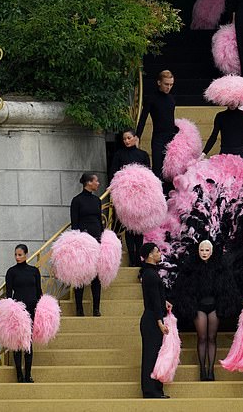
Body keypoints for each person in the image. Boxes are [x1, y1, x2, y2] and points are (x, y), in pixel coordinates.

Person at [171, 240, 240, 381]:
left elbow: (227, 288)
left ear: (212, 251)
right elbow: (183, 288)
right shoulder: (191, 268)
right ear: (198, 251)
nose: (204, 253)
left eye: (207, 250)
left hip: (214, 306)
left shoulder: (220, 267)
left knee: (212, 338)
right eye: (202, 250)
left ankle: (211, 370)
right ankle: (203, 369)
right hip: (199, 307)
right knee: (202, 337)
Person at [110, 130, 151, 267]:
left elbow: (148, 174)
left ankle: (139, 257)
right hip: (125, 195)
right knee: (128, 226)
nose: (127, 141)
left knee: (138, 227)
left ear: (135, 138)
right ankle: (133, 258)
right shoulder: (119, 154)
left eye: (129, 138)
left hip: (139, 194)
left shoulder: (143, 155)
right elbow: (114, 173)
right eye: (124, 139)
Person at [5, 244, 42, 383]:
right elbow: (9, 294)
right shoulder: (11, 272)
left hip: (32, 310)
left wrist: (42, 309)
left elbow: (39, 292)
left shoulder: (34, 271)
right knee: (17, 343)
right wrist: (10, 311)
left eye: (20, 255)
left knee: (28, 343)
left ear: (26, 254)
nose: (17, 257)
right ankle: (19, 374)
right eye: (15, 254)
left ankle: (28, 374)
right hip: (18, 311)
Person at [139, 243, 172, 399]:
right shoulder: (150, 274)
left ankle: (156, 390)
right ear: (151, 255)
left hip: (152, 317)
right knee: (151, 356)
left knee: (154, 355)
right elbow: (153, 300)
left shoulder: (150, 272)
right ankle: (151, 391)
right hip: (152, 320)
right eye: (157, 251)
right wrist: (160, 322)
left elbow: (156, 296)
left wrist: (164, 301)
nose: (160, 253)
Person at [135, 70, 178, 187]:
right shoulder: (152, 98)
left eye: (171, 84)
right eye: (166, 84)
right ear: (159, 82)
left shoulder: (171, 99)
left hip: (172, 138)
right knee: (157, 169)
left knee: (171, 170)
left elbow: (170, 119)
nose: (169, 87)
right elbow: (143, 118)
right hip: (158, 138)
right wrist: (138, 136)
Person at [71, 172, 104, 316]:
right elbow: (74, 223)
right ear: (89, 182)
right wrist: (77, 241)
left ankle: (96, 308)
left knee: (96, 275)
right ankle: (79, 309)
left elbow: (99, 220)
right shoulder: (77, 200)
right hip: (83, 241)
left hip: (96, 239)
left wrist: (103, 238)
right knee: (81, 275)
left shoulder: (97, 200)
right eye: (96, 181)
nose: (98, 183)